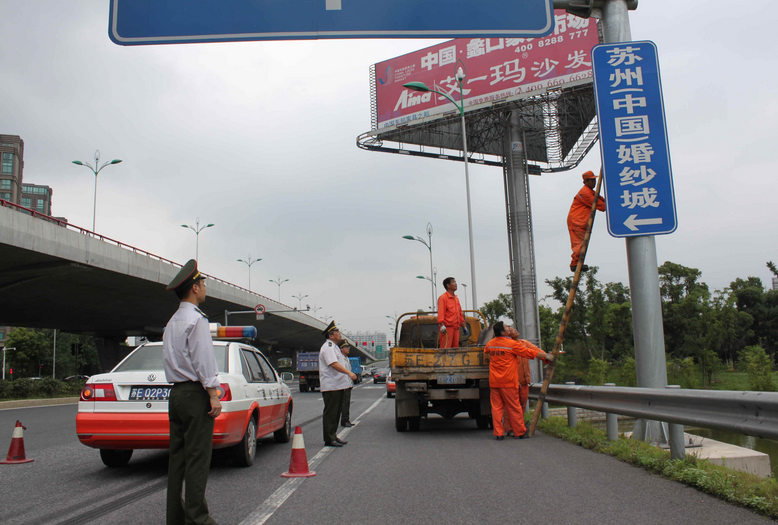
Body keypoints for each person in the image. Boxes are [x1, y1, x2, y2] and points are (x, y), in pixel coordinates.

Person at [162, 259, 221, 525]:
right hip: (195, 394)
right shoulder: (196, 320)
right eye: (203, 283)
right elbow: (203, 360)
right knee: (198, 459)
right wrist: (213, 393)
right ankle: (198, 518)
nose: (205, 287)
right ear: (195, 287)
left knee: (178, 460)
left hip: (175, 395)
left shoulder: (173, 321)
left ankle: (175, 518)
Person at [484, 321, 554, 440]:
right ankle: (520, 432)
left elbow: (486, 351)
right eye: (507, 327)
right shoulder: (511, 344)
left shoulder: (490, 344)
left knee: (496, 408)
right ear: (502, 332)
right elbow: (528, 352)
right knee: (514, 407)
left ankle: (498, 433)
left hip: (495, 381)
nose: (509, 328)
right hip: (508, 382)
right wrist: (545, 356)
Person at [319, 321, 357, 447]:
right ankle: (329, 438)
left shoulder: (334, 347)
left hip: (338, 386)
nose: (340, 335)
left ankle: (333, 435)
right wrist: (349, 373)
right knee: (331, 412)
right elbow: (333, 364)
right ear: (331, 335)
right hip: (331, 386)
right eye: (338, 333)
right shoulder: (328, 347)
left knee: (336, 412)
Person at [567, 170, 605, 272]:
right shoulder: (585, 193)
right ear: (586, 181)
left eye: (595, 180)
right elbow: (601, 205)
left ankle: (578, 263)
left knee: (582, 243)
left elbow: (601, 200)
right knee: (579, 244)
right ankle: (575, 264)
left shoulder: (589, 191)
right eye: (592, 180)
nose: (594, 182)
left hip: (580, 221)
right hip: (577, 222)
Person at [437, 277, 465, 349]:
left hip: (456, 328)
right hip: (447, 328)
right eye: (453, 282)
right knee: (446, 348)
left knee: (455, 349)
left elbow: (460, 314)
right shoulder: (443, 298)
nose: (456, 284)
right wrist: (442, 325)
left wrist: (464, 326)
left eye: (455, 282)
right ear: (448, 285)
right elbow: (441, 312)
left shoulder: (456, 298)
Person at [338, 339, 354, 428]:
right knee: (344, 404)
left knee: (347, 403)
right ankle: (344, 420)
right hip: (343, 385)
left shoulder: (346, 358)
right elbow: (342, 373)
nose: (348, 349)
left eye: (348, 347)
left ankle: (346, 419)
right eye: (346, 347)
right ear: (341, 349)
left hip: (347, 385)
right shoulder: (340, 359)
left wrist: (350, 384)